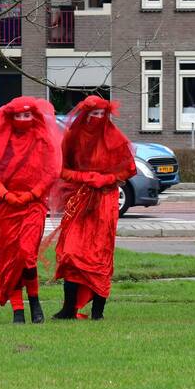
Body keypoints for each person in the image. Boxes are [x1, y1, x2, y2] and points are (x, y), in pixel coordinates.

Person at [0, 97, 63, 324]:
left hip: (33, 204)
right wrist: (4, 192)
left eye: (26, 115)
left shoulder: (43, 139)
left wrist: (33, 194)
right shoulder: (2, 138)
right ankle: (17, 309)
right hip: (6, 206)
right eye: (18, 116)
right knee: (10, 258)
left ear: (33, 116)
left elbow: (51, 171)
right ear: (11, 117)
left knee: (26, 255)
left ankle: (35, 301)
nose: (22, 120)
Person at [51, 96, 136, 321]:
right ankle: (69, 309)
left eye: (101, 114)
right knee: (71, 252)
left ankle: (98, 311)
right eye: (93, 114)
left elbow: (129, 168)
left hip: (105, 202)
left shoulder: (115, 137)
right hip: (79, 199)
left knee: (99, 254)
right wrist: (85, 177)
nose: (98, 118)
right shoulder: (72, 137)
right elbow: (61, 169)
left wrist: (107, 179)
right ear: (85, 115)